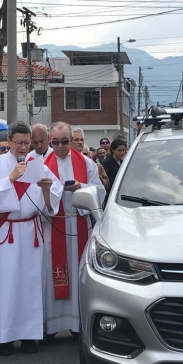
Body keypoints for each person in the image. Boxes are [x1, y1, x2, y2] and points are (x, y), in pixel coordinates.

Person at [0, 120, 62, 357]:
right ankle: (6, 338)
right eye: (19, 143)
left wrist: (47, 190)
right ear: (9, 142)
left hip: (30, 231)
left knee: (30, 285)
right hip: (7, 230)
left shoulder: (39, 165)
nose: (24, 148)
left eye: (27, 143)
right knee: (6, 284)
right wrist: (11, 179)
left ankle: (29, 336)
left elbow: (51, 203)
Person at [42, 122, 106, 343]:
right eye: (55, 142)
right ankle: (51, 325)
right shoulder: (42, 164)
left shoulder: (86, 162)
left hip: (78, 223)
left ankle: (77, 324)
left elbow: (100, 190)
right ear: (50, 141)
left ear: (71, 140)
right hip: (54, 225)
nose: (60, 146)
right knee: (53, 274)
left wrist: (81, 186)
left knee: (78, 274)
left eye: (64, 141)